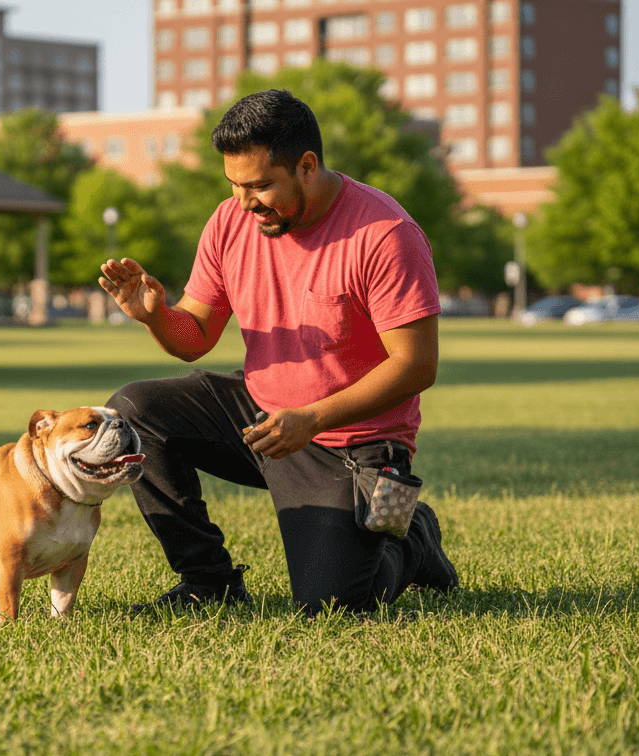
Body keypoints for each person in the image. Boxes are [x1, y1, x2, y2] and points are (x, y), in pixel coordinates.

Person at [99, 89, 458, 616]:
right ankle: (208, 580)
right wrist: (155, 315)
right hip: (263, 418)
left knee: (333, 605)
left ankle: (413, 534)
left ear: (307, 166)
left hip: (355, 442)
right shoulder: (229, 222)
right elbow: (195, 335)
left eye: (261, 185)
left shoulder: (384, 234)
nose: (246, 203)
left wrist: (310, 419)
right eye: (236, 186)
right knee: (136, 410)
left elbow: (415, 365)